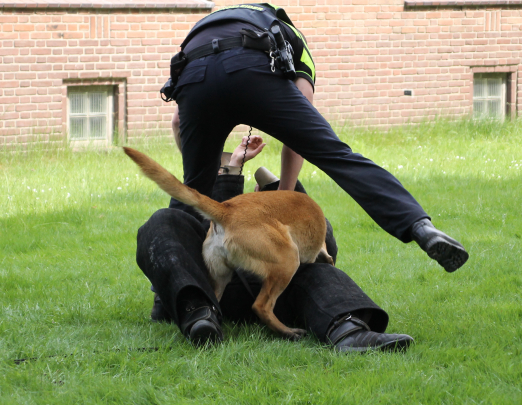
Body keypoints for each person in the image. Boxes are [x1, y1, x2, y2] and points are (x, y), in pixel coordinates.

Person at [163, 2, 468, 273]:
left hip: (194, 75)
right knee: (338, 156)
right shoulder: (290, 36)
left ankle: (168, 293)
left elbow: (178, 120)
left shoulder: (203, 30)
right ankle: (420, 227)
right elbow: (302, 114)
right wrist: (283, 197)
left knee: (189, 193)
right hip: (250, 70)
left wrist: (211, 168)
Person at [137, 135, 415, 351]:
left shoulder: (308, 232)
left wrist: (277, 195)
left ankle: (347, 329)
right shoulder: (215, 220)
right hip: (210, 289)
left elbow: (318, 246)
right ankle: (197, 312)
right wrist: (232, 167)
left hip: (283, 287)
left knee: (316, 257)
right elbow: (211, 210)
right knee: (165, 220)